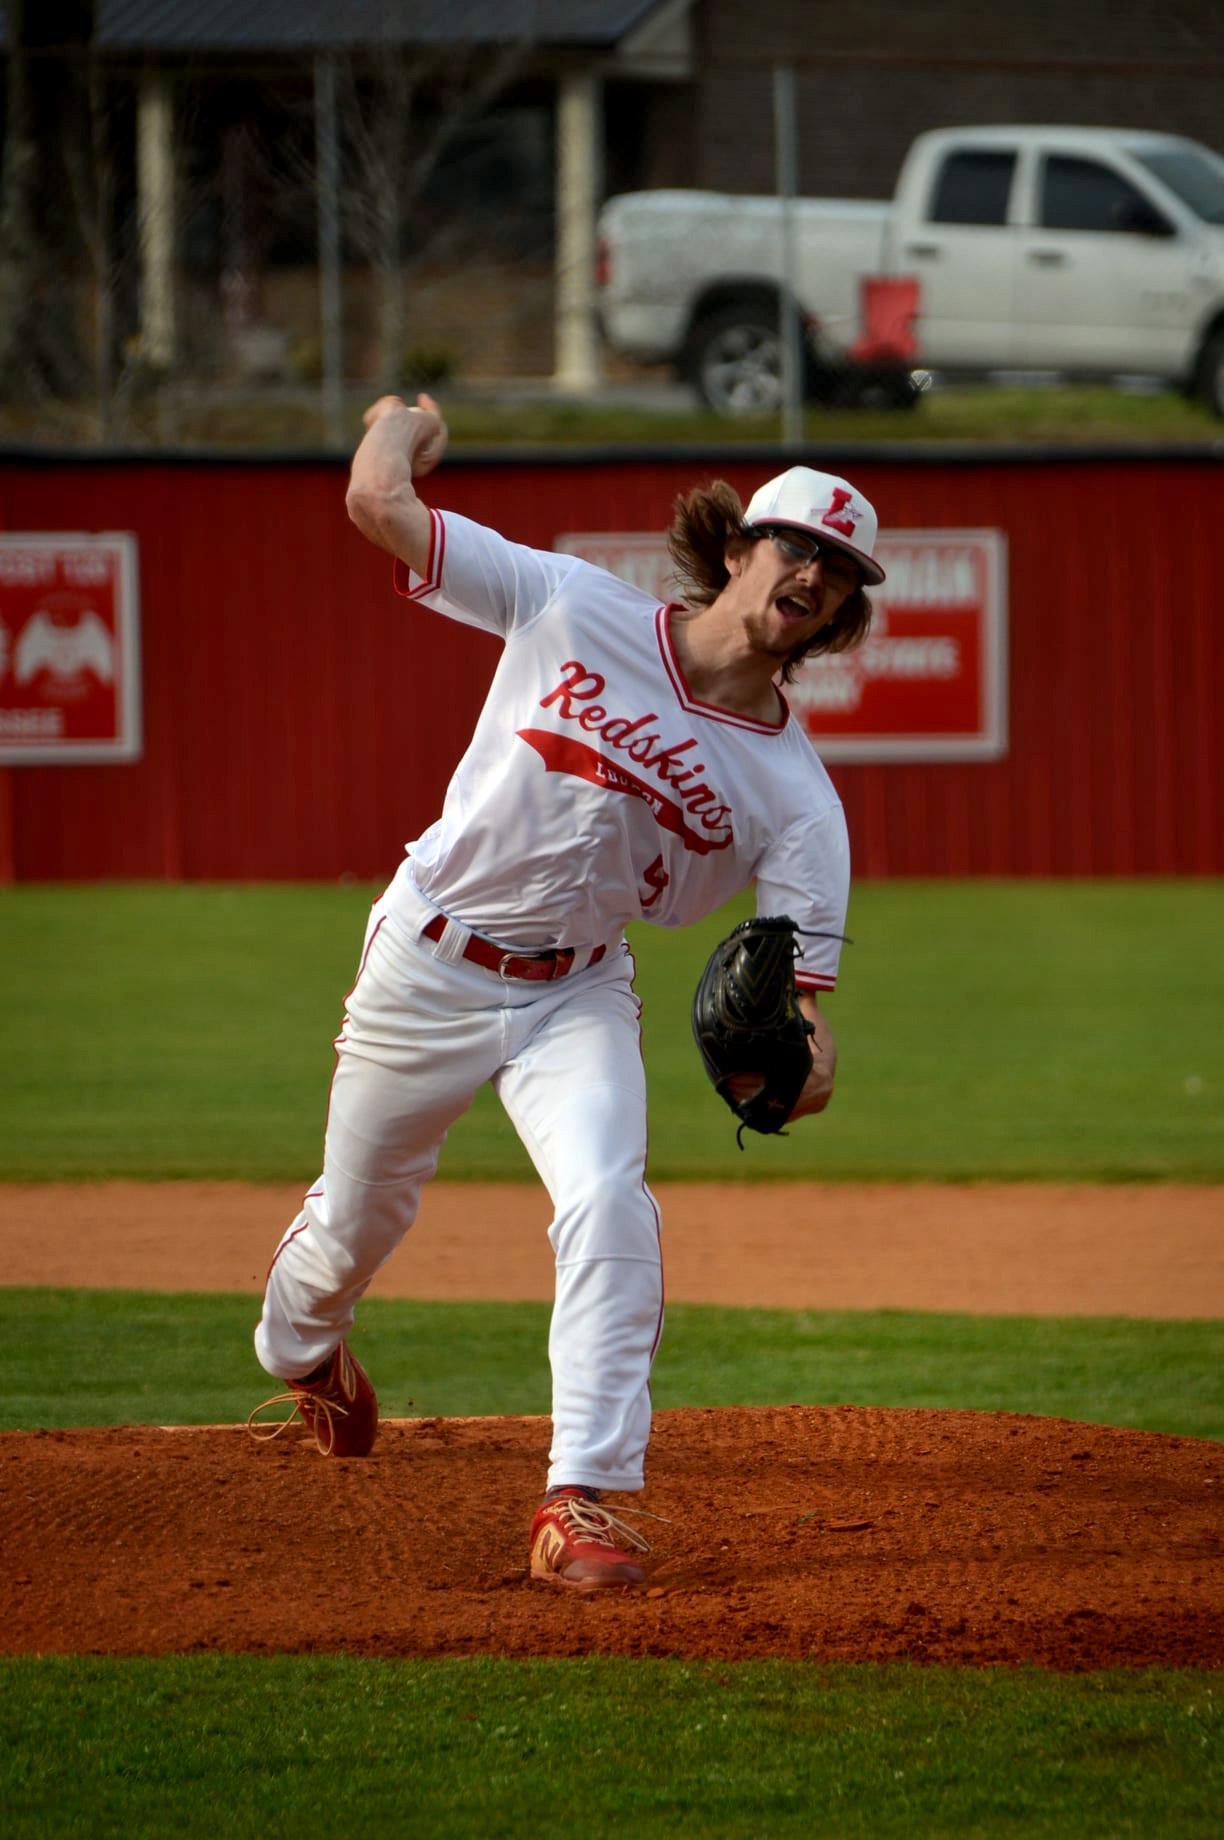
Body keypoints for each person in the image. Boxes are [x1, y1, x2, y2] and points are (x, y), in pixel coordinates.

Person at [249, 392, 885, 1591]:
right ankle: (304, 1348)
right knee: (355, 1224)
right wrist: (402, 422)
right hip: (427, 961)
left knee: (608, 1198)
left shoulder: (799, 799)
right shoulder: (572, 604)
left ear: (842, 613)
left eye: (841, 570)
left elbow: (806, 1022)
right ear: (739, 548)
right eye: (799, 544)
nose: (815, 573)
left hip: (575, 994)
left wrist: (799, 1076)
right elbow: (377, 502)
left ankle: (579, 1497)